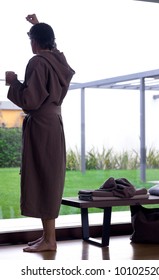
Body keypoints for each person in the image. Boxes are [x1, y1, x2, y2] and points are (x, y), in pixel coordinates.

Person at [6, 14, 75, 252]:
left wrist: (13, 82)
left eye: (31, 39)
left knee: (43, 177)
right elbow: (54, 49)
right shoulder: (58, 62)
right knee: (49, 176)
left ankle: (50, 240)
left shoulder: (37, 62)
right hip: (53, 124)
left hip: (42, 126)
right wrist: (38, 26)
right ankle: (48, 237)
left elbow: (30, 101)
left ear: (35, 42)